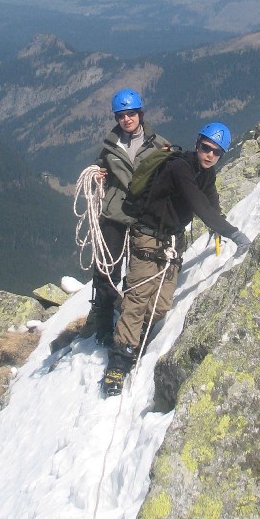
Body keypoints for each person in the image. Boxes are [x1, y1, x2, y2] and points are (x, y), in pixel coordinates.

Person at [101, 121, 253, 397]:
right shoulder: (179, 167)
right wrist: (234, 234)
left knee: (160, 305)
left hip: (172, 242)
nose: (209, 155)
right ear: (197, 144)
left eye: (216, 152)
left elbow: (210, 201)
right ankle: (119, 359)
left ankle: (137, 337)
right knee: (138, 299)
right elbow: (197, 203)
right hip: (147, 237)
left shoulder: (206, 174)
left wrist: (218, 228)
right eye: (206, 147)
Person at [79, 88, 171, 345]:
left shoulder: (158, 144)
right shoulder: (111, 145)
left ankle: (129, 318)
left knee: (138, 271)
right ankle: (104, 322)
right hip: (116, 212)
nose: (127, 119)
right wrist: (99, 172)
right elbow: (102, 165)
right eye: (121, 115)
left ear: (140, 114)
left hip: (145, 215)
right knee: (107, 270)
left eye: (131, 114)